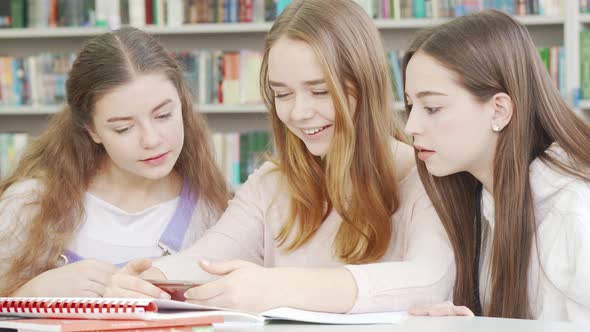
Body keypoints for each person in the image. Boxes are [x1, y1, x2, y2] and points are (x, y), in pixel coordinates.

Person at [106, 0, 455, 314]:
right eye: (283, 94)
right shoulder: (271, 184)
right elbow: (207, 258)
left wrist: (274, 287)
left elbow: (428, 279)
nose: (299, 113)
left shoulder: (425, 176)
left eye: (319, 91)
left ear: (365, 83)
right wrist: (147, 281)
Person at [0, 27, 230, 297]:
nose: (151, 140)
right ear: (92, 130)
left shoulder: (212, 214)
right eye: (123, 128)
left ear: (183, 103)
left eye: (164, 115)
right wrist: (31, 290)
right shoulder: (32, 203)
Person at [403, 10, 590, 321]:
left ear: (499, 110)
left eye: (432, 107)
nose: (411, 126)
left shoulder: (573, 212)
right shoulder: (480, 198)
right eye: (410, 105)